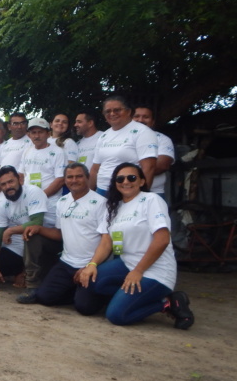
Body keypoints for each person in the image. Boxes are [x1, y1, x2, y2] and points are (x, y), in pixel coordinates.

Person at [80, 163, 194, 329]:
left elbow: (162, 240)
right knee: (90, 280)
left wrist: (138, 271)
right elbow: (107, 242)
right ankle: (130, 297)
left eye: (131, 177)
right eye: (120, 178)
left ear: (141, 181)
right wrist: (92, 264)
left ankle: (167, 303)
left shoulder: (151, 200)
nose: (125, 181)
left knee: (116, 315)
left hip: (155, 271)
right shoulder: (114, 207)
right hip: (127, 264)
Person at [18, 163, 108, 315]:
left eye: (79, 176)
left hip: (90, 265)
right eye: (70, 177)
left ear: (87, 178)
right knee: (44, 298)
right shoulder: (62, 202)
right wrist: (39, 229)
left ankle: (96, 294)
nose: (74, 180)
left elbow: (105, 240)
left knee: (85, 308)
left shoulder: (101, 203)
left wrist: (91, 265)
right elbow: (60, 234)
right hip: (66, 262)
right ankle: (75, 289)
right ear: (65, 180)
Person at [0, 166, 62, 303]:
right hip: (34, 246)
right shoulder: (1, 204)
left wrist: (10, 230)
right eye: (3, 184)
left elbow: (37, 222)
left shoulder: (33, 192)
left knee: (31, 232)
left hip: (55, 240)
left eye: (11, 182)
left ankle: (32, 285)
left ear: (20, 179)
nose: (8, 186)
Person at [90, 95, 158, 197]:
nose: (112, 114)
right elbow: (95, 168)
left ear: (129, 112)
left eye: (117, 110)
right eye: (107, 111)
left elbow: (149, 168)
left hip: (126, 192)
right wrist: (88, 195)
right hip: (102, 191)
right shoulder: (104, 135)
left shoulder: (142, 132)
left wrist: (140, 196)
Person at [18, 117, 66, 227]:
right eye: (33, 132)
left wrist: (40, 196)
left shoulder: (58, 152)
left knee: (50, 233)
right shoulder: (27, 151)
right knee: (31, 232)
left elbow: (60, 180)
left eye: (40, 132)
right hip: (29, 203)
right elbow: (21, 175)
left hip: (50, 203)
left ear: (48, 134)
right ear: (29, 134)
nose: (36, 135)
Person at [133, 106, 175, 201]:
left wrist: (129, 178)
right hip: (121, 191)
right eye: (136, 116)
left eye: (145, 117)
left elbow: (162, 166)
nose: (140, 120)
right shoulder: (121, 138)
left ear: (152, 121)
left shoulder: (163, 139)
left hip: (153, 193)